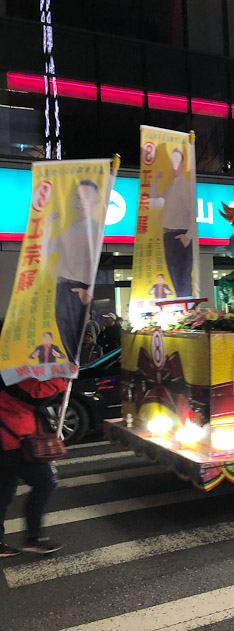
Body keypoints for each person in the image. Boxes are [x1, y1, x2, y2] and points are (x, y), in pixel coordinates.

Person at [0, 376, 67, 557]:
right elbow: (36, 393)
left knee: (3, 493)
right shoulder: (9, 372)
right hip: (15, 443)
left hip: (8, 440)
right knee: (46, 483)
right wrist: (62, 378)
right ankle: (34, 538)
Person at [43, 179, 101, 363]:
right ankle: (68, 376)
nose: (80, 202)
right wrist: (47, 225)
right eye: (78, 197)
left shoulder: (94, 229)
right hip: (62, 287)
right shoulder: (69, 227)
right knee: (62, 336)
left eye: (86, 197)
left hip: (77, 289)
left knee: (72, 341)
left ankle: (72, 376)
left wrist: (88, 291)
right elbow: (48, 250)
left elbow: (93, 262)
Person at [150, 146, 195, 297]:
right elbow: (155, 201)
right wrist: (155, 181)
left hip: (179, 235)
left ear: (183, 165)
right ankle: (183, 307)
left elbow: (193, 211)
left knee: (182, 277)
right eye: (172, 161)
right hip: (169, 235)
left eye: (177, 161)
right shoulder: (172, 184)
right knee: (174, 276)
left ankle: (187, 310)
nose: (174, 164)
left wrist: (188, 235)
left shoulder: (184, 185)